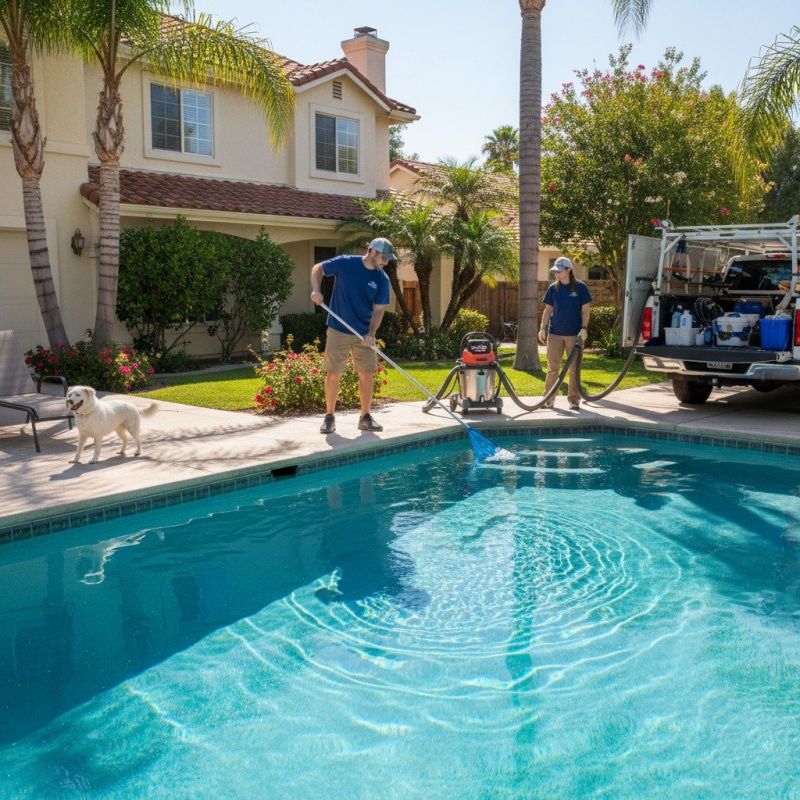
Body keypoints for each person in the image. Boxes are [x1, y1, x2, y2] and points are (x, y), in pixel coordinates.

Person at [310, 238, 394, 434]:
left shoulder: (383, 279)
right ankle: (329, 417)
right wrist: (316, 290)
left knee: (367, 373)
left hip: (363, 332)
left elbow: (379, 310)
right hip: (338, 328)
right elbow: (318, 269)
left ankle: (365, 417)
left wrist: (371, 333)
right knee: (333, 372)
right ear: (372, 251)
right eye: (384, 258)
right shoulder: (346, 263)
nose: (386, 263)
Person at [538, 256, 592, 410]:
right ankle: (548, 399)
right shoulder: (553, 288)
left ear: (568, 270)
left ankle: (574, 400)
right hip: (554, 334)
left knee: (574, 368)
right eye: (555, 270)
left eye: (559, 271)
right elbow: (548, 310)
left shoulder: (580, 287)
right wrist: (542, 328)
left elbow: (586, 309)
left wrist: (584, 328)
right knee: (552, 368)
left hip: (574, 334)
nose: (556, 273)